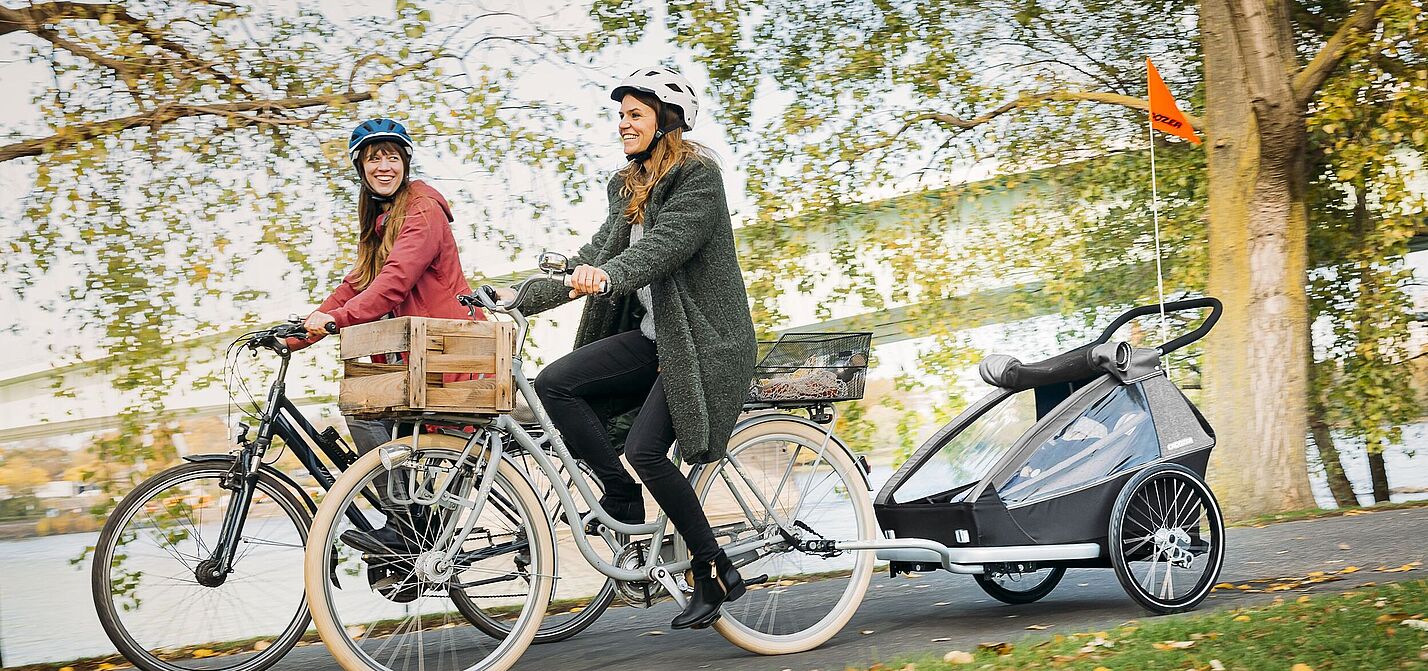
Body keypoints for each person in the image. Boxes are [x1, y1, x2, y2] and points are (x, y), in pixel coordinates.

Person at [507, 66, 758, 630]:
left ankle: (714, 569)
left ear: (667, 119)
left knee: (647, 451)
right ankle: (619, 494)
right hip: (653, 339)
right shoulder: (629, 188)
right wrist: (510, 297)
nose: (622, 124)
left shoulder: (698, 179)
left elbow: (664, 249)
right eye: (620, 116)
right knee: (555, 384)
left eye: (634, 115)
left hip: (702, 344)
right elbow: (592, 256)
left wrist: (608, 276)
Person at [291, 117, 482, 553]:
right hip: (419, 353)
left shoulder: (422, 211)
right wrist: (298, 335)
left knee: (366, 412)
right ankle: (409, 527)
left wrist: (337, 321)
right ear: (360, 167)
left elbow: (393, 283)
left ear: (405, 163)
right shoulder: (383, 220)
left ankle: (404, 526)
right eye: (374, 158)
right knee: (364, 410)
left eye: (391, 157)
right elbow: (358, 283)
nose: (383, 166)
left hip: (448, 351)